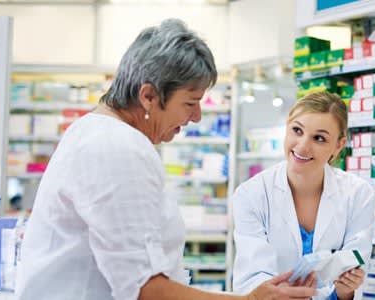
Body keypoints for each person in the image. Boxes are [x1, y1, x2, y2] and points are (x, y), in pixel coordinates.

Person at [16, 19, 316, 300]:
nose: (196, 117)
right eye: (190, 102)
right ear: (148, 96)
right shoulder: (117, 146)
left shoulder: (100, 133)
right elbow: (145, 290)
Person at [232, 92, 375, 300]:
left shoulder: (358, 194)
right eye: (297, 130)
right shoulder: (251, 194)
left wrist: (346, 289)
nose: (302, 146)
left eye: (319, 138)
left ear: (339, 145)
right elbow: (252, 275)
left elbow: (355, 272)